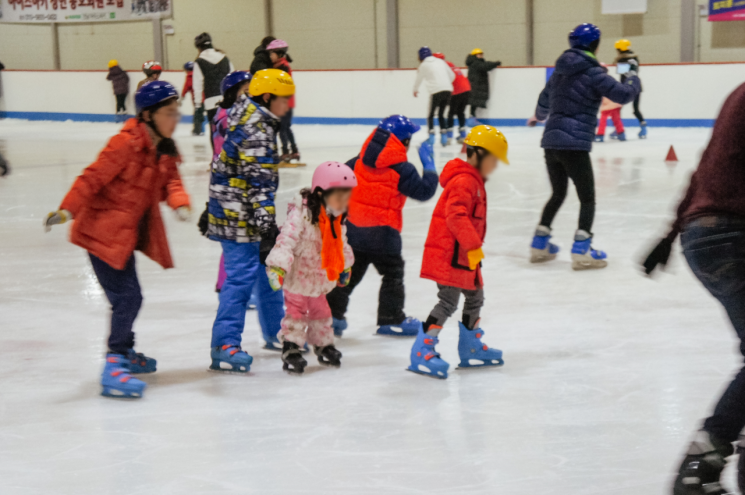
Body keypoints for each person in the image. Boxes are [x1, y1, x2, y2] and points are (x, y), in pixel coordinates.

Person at [43, 81, 191, 398]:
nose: (175, 118)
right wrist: (67, 210)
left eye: (177, 112)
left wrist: (180, 202)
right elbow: (91, 178)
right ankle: (114, 364)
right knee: (128, 299)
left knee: (128, 298)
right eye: (169, 113)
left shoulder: (163, 148)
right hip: (101, 235)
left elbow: (172, 183)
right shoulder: (124, 145)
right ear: (148, 115)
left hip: (124, 237)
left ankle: (124, 353)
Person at [642, 81, 745, 495]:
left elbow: (703, 170)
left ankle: (705, 461)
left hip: (703, 236)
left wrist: (670, 236)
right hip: (734, 234)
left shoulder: (738, 95)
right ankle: (702, 463)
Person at [526, 23, 640, 270]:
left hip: (551, 143)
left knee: (558, 193)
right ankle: (582, 248)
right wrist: (633, 77)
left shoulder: (558, 73)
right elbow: (623, 95)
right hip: (575, 144)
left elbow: (543, 101)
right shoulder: (594, 73)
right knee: (587, 199)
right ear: (595, 45)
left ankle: (539, 242)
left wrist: (539, 116)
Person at [206, 69, 294, 373]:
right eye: (286, 99)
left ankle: (275, 332)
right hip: (237, 215)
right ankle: (224, 344)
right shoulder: (256, 128)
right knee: (241, 277)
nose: (289, 104)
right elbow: (259, 184)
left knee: (267, 271)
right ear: (268, 97)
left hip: (237, 209)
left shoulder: (247, 117)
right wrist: (267, 226)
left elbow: (225, 164)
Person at [326, 115, 438, 338]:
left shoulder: (359, 160)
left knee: (349, 275)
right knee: (392, 274)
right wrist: (430, 167)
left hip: (355, 232)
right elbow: (424, 192)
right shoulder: (402, 169)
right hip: (384, 235)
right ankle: (390, 318)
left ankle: (332, 316)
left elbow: (337, 180)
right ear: (403, 142)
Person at [410, 126, 508, 379]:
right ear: (477, 154)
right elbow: (456, 216)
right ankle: (423, 350)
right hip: (450, 256)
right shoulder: (465, 181)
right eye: (493, 159)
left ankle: (470, 347)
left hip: (463, 257)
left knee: (476, 298)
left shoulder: (473, 181)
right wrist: (473, 246)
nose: (495, 166)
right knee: (448, 302)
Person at [265, 162, 357, 374]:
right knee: (296, 313)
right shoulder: (301, 214)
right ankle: (292, 348)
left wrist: (345, 266)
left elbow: (341, 244)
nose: (344, 201)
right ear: (320, 192)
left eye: (347, 195)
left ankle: (324, 345)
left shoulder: (336, 218)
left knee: (322, 312)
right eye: (339, 195)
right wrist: (278, 268)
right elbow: (286, 240)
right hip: (297, 275)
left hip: (319, 276)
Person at [192, 32, 234, 149]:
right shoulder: (225, 58)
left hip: (211, 103)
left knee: (215, 133)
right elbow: (232, 78)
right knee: (229, 131)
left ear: (199, 47)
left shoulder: (199, 62)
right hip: (228, 101)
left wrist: (198, 105)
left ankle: (216, 161)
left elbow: (197, 85)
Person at [267, 39, 300, 164]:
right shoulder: (280, 66)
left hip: (284, 102)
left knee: (283, 128)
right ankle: (294, 151)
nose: (270, 56)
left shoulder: (283, 67)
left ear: (279, 54)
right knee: (286, 128)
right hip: (284, 102)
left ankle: (286, 152)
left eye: (272, 54)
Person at [413, 46, 454, 147]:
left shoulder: (423, 65)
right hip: (448, 90)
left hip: (436, 91)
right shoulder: (441, 61)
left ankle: (431, 138)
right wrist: (446, 84)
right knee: (441, 114)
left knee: (431, 115)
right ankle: (444, 138)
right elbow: (452, 75)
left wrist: (415, 89)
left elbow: (419, 79)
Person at [433, 52, 471, 145]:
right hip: (467, 89)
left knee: (451, 113)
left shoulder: (441, 67)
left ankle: (449, 137)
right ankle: (463, 135)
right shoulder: (450, 64)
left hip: (457, 91)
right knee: (460, 112)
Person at [614, 39, 647, 139]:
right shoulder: (635, 58)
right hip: (637, 85)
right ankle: (643, 127)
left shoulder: (622, 60)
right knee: (636, 109)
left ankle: (618, 129)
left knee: (617, 109)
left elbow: (623, 76)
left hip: (627, 86)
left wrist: (619, 88)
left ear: (620, 49)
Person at [465, 48, 500, 124]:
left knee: (474, 102)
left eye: (481, 54)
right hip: (475, 85)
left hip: (476, 85)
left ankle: (472, 118)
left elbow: (484, 65)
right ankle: (471, 119)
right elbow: (485, 66)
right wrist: (495, 63)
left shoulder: (475, 62)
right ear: (475, 55)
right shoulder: (475, 63)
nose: (481, 56)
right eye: (479, 54)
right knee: (473, 102)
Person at [182, 61, 205, 136]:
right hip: (204, 98)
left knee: (197, 115)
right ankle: (201, 129)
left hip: (197, 100)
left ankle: (197, 131)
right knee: (200, 114)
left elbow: (187, 86)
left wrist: (182, 95)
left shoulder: (189, 76)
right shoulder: (200, 75)